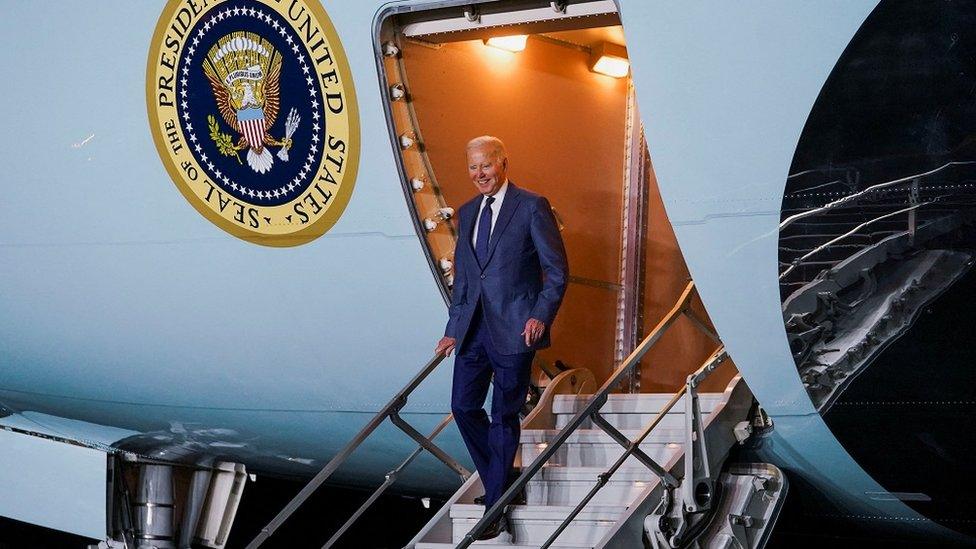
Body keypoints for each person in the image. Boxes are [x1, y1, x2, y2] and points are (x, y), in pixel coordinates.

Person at [435, 136, 568, 541]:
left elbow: (557, 271)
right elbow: (464, 281)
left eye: (486, 166)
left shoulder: (531, 206)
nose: (479, 175)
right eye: (473, 168)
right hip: (473, 330)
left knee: (503, 416)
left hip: (515, 329)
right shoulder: (467, 212)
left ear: (502, 163)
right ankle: (504, 479)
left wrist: (540, 316)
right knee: (462, 406)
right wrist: (450, 330)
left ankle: (495, 504)